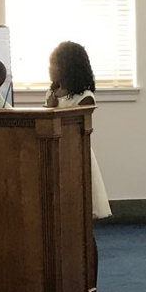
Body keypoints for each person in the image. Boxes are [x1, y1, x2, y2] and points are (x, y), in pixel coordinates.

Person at [46, 41, 111, 222]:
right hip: (54, 152)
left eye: (55, 64)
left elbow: (74, 127)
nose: (50, 68)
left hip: (75, 154)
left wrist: (52, 109)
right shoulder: (52, 93)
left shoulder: (85, 97)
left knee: (80, 209)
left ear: (68, 67)